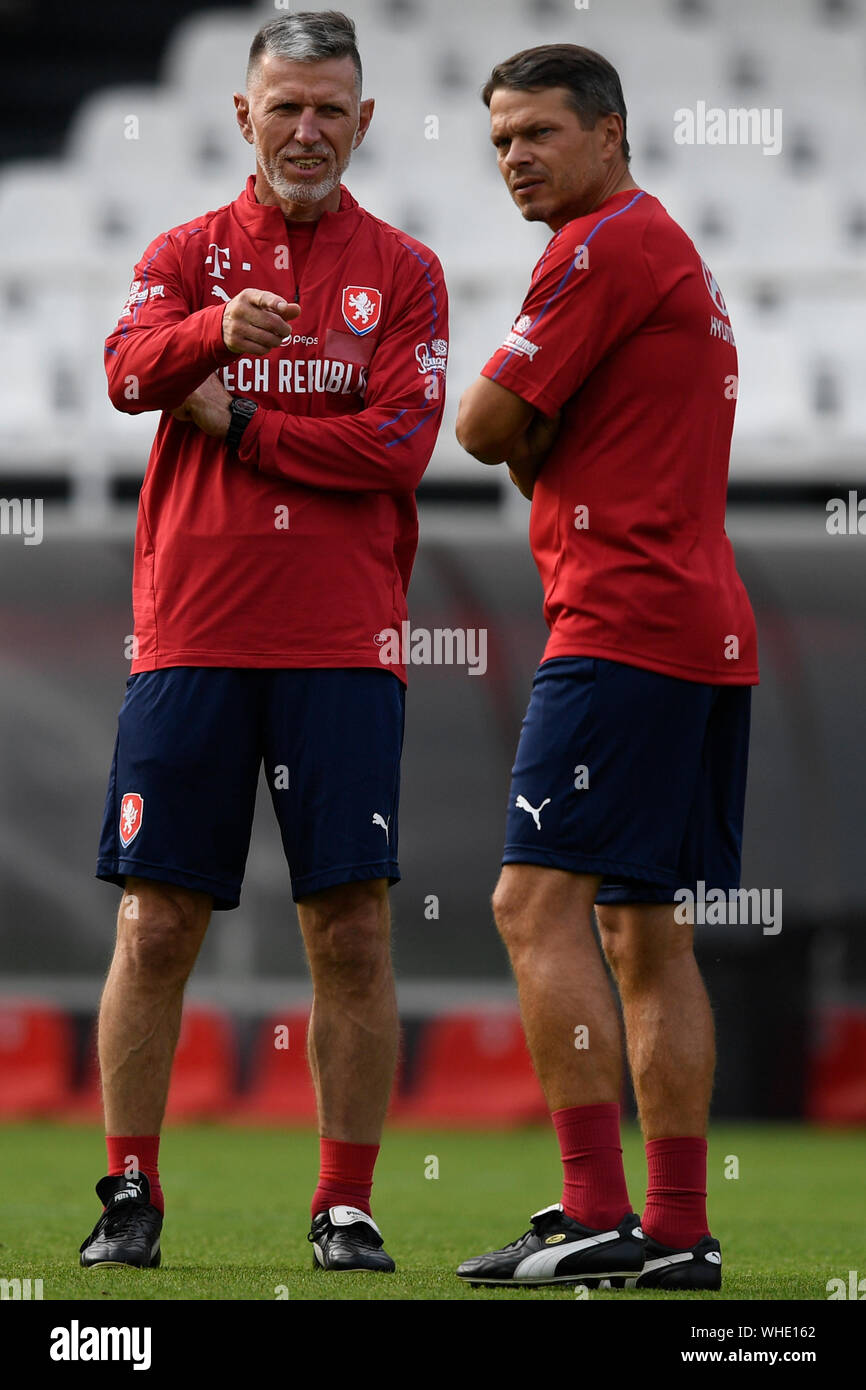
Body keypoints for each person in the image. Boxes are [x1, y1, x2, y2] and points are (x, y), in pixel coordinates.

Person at [79, 10, 448, 1275]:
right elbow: (128, 372)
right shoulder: (184, 256)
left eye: (329, 108)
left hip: (342, 643)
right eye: (284, 105)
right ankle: (129, 1191)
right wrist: (203, 341)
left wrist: (237, 425)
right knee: (157, 921)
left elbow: (401, 446)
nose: (306, 129)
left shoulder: (403, 271)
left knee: (348, 926)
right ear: (243, 116)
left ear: (363, 120)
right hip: (190, 634)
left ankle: (343, 1201)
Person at [455, 44, 757, 1290]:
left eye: (536, 133)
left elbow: (479, 428)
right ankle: (678, 1229)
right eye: (499, 142)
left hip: (621, 622)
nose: (515, 158)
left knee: (530, 906)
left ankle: (588, 1207)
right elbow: (540, 446)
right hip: (700, 623)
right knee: (644, 930)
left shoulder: (601, 245)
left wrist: (533, 434)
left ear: (609, 132)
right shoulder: (662, 247)